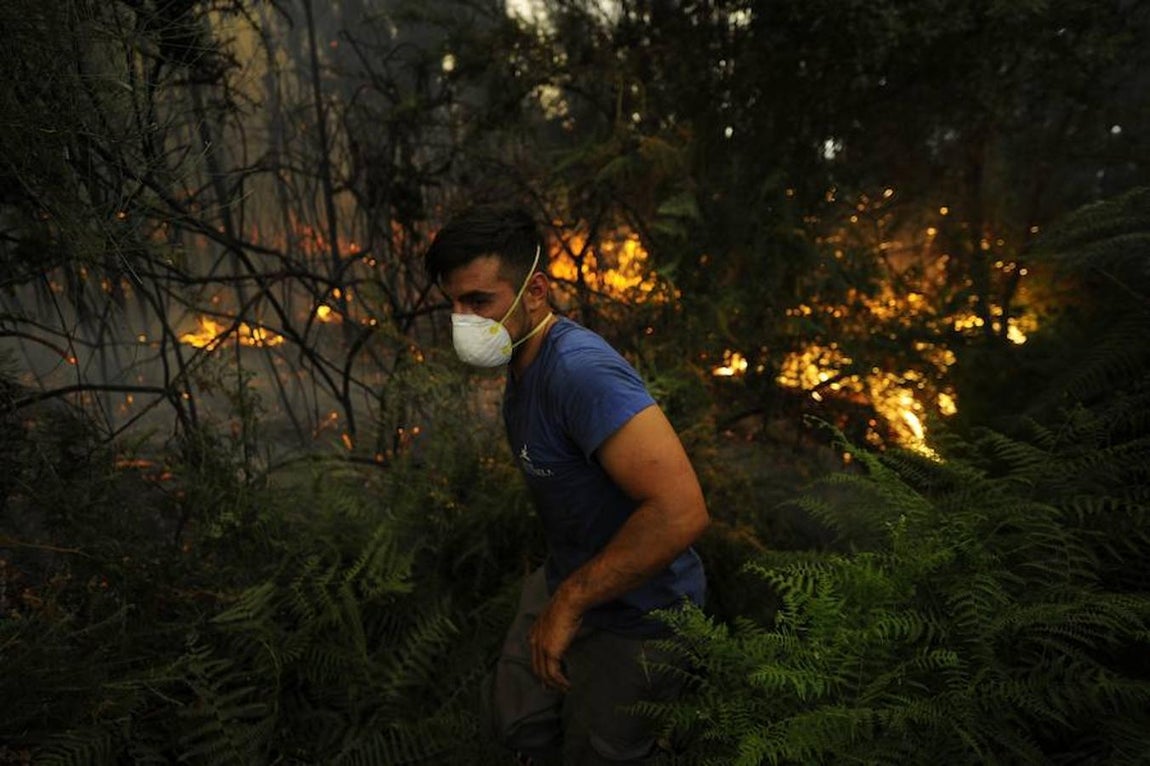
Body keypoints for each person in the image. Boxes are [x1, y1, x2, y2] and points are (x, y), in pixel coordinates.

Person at [424, 204, 709, 765]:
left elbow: (681, 512)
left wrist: (569, 604)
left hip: (642, 615)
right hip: (569, 577)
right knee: (518, 723)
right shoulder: (522, 360)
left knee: (601, 751)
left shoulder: (581, 373)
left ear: (536, 292)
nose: (463, 320)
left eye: (479, 301)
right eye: (453, 304)